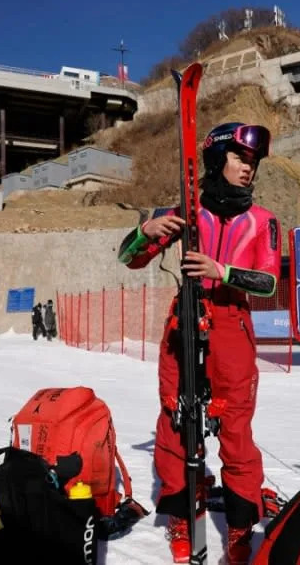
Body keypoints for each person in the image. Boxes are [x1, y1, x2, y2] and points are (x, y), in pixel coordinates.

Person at [117, 122, 281, 564]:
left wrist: (221, 271)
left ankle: (243, 524)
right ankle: (182, 515)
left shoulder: (263, 221)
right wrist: (143, 234)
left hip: (232, 325)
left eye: (252, 163)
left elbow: (268, 282)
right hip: (185, 320)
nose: (247, 169)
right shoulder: (184, 213)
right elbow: (128, 259)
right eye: (239, 159)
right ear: (215, 160)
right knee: (176, 422)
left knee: (236, 431)